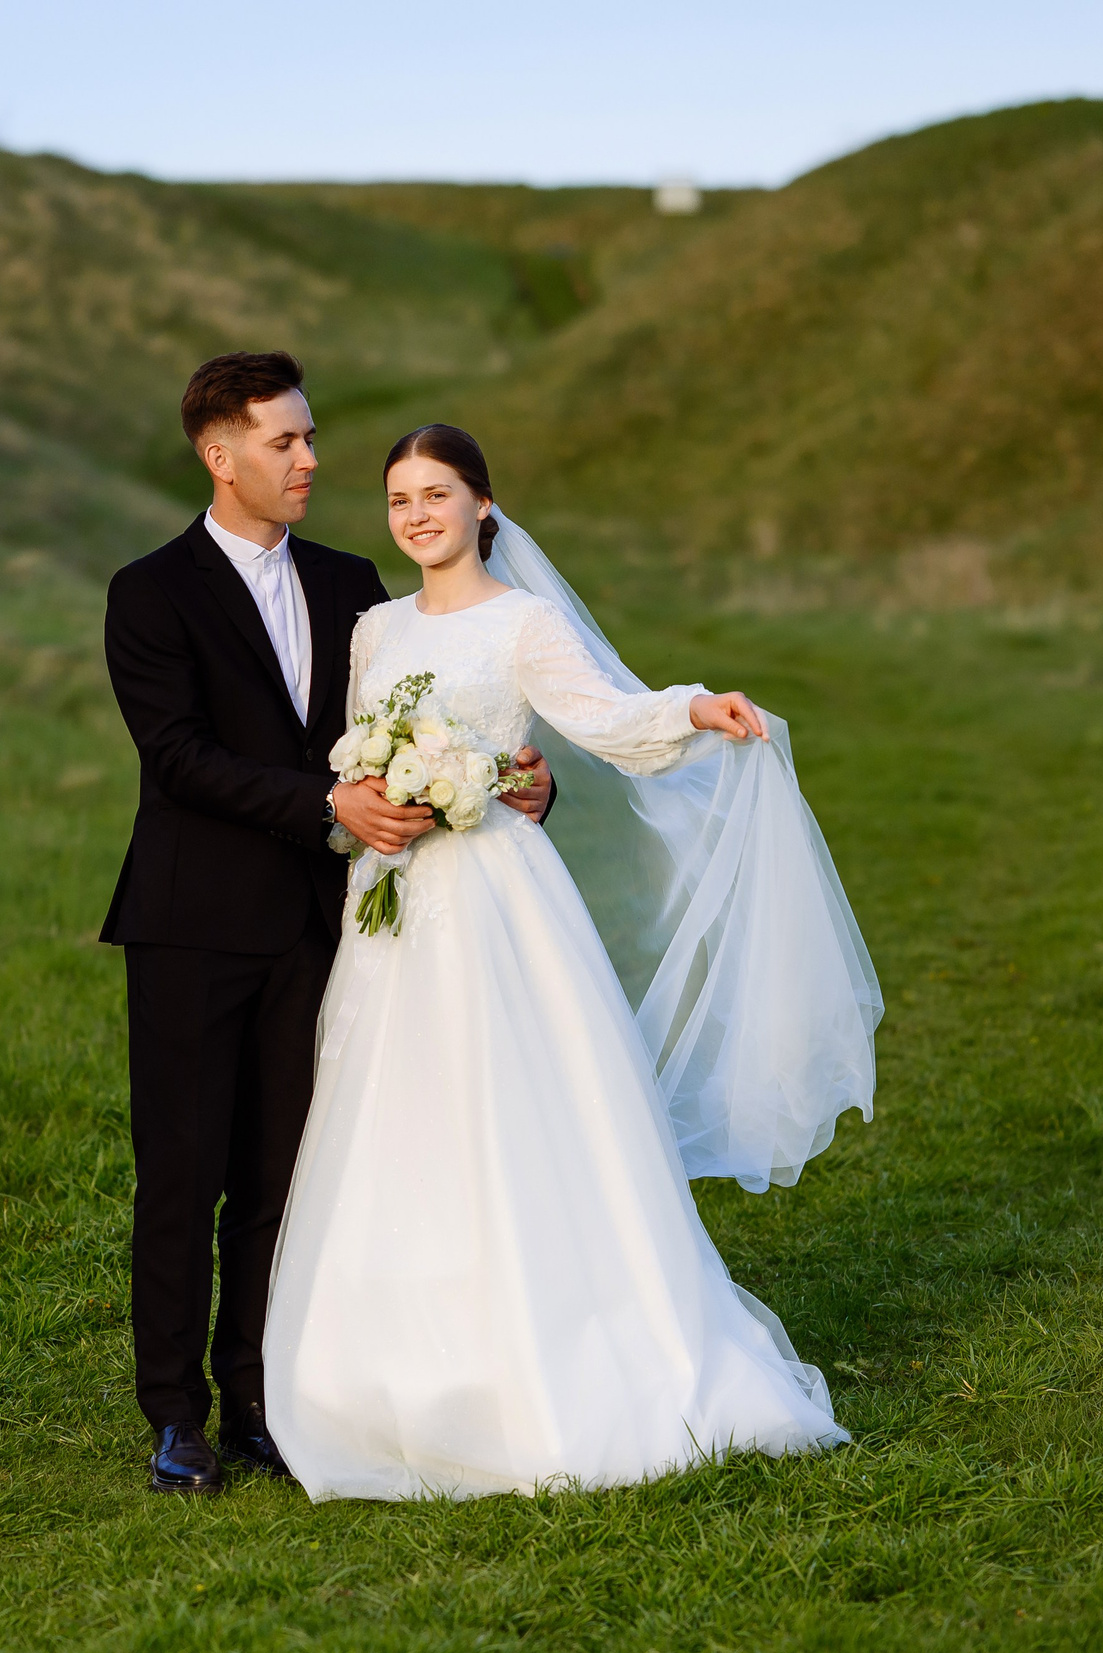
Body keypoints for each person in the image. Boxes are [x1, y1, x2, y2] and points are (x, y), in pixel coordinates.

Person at [261, 425, 881, 1500]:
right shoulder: (373, 629)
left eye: (438, 494)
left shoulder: (524, 623)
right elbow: (350, 751)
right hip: (391, 905)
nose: (417, 515)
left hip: (495, 901)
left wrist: (695, 706)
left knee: (508, 1112)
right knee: (390, 1115)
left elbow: (605, 717)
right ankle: (376, 1378)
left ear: (483, 505)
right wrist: (373, 795)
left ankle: (546, 1358)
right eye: (400, 497)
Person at [101, 359, 552, 1494]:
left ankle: (258, 1396)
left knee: (281, 1176)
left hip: (329, 926)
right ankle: (175, 1414)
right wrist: (323, 803)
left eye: (310, 438)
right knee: (183, 1172)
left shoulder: (358, 586)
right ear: (221, 455)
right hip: (191, 926)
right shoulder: (147, 592)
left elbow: (449, 708)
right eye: (285, 442)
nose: (310, 460)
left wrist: (524, 785)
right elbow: (179, 758)